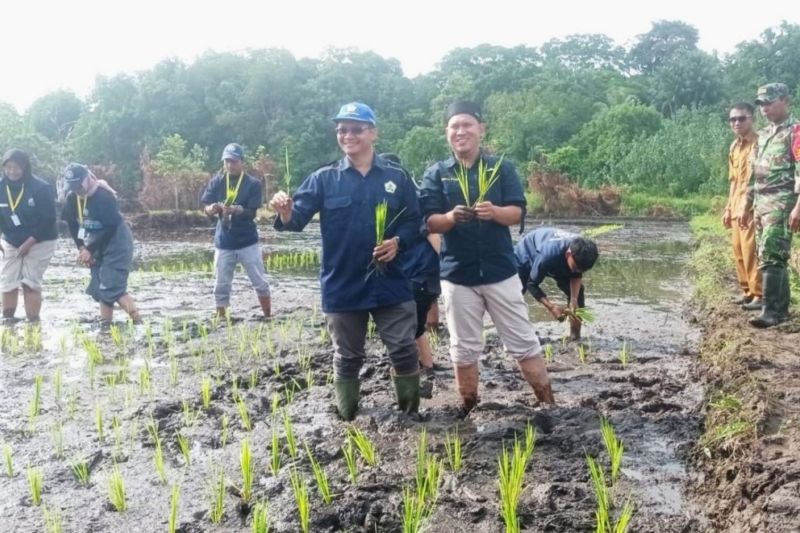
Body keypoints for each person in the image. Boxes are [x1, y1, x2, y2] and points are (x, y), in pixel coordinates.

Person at [270, 103, 422, 420]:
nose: (348, 135)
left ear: (373, 133)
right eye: (342, 129)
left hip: (392, 280)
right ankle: (347, 415)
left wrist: (398, 242)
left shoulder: (397, 176)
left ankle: (410, 413)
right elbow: (295, 220)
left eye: (356, 128)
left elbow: (416, 222)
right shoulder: (324, 178)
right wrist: (284, 211)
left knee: (404, 348)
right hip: (342, 282)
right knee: (348, 356)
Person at [419, 100, 555, 415]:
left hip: (501, 272)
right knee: (463, 348)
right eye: (454, 126)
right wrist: (451, 217)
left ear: (481, 129)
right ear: (446, 133)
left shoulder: (500, 168)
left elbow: (517, 212)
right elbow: (428, 222)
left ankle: (548, 404)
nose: (461, 131)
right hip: (458, 275)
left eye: (467, 124)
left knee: (523, 341)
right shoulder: (437, 174)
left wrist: (493, 212)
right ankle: (468, 407)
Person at [739, 83, 800, 328]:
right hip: (761, 202)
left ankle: (771, 312)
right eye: (762, 104)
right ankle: (780, 309)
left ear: (785, 101)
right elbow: (755, 173)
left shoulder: (796, 132)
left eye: (770, 102)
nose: (765, 108)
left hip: (782, 201)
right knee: (768, 254)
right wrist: (746, 203)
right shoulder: (764, 134)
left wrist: (798, 207)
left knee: (773, 254)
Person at [379, 153, 442, 375]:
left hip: (419, 269)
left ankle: (424, 365)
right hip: (423, 271)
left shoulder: (408, 200)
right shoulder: (405, 196)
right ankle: (427, 364)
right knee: (417, 324)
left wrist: (446, 266)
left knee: (410, 325)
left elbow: (431, 233)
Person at [61, 163, 140, 323]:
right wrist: (82, 247)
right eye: (73, 186)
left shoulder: (104, 196)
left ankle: (138, 322)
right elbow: (72, 224)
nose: (77, 190)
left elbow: (110, 227)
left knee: (111, 287)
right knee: (99, 287)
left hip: (116, 242)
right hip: (93, 241)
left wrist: (89, 249)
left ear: (88, 178)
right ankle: (107, 327)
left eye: (79, 185)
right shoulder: (72, 198)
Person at [200, 143, 271, 320]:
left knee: (259, 281)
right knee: (221, 283)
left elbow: (252, 212)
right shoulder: (217, 181)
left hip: (247, 241)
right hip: (224, 242)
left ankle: (268, 315)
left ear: (241, 162)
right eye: (227, 161)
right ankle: (221, 316)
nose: (230, 165)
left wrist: (237, 210)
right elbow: (205, 206)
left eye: (233, 161)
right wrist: (212, 209)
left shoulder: (252, 184)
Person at [0, 149, 58, 322]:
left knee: (30, 282)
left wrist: (29, 243)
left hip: (40, 240)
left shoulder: (41, 188)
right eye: (8, 167)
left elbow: (49, 219)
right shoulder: (1, 187)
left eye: (16, 167)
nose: (12, 171)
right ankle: (8, 321)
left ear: (25, 167)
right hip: (12, 240)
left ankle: (33, 322)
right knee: (8, 281)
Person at [514, 227, 599, 340]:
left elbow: (576, 275)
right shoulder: (548, 256)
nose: (577, 272)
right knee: (516, 295)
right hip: (527, 256)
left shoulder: (581, 253)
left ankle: (575, 337)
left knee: (578, 295)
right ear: (569, 254)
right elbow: (532, 284)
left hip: (561, 260)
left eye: (582, 270)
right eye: (575, 267)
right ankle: (513, 335)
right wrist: (551, 306)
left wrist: (573, 300)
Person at [723, 103, 762, 309]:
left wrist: (746, 207)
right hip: (737, 204)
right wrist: (729, 207)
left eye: (741, 118)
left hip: (753, 206)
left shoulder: (759, 144)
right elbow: (733, 181)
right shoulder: (734, 146)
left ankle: (759, 294)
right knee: (738, 250)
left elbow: (755, 181)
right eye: (732, 119)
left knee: (751, 250)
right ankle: (746, 290)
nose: (736, 122)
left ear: (751, 119)